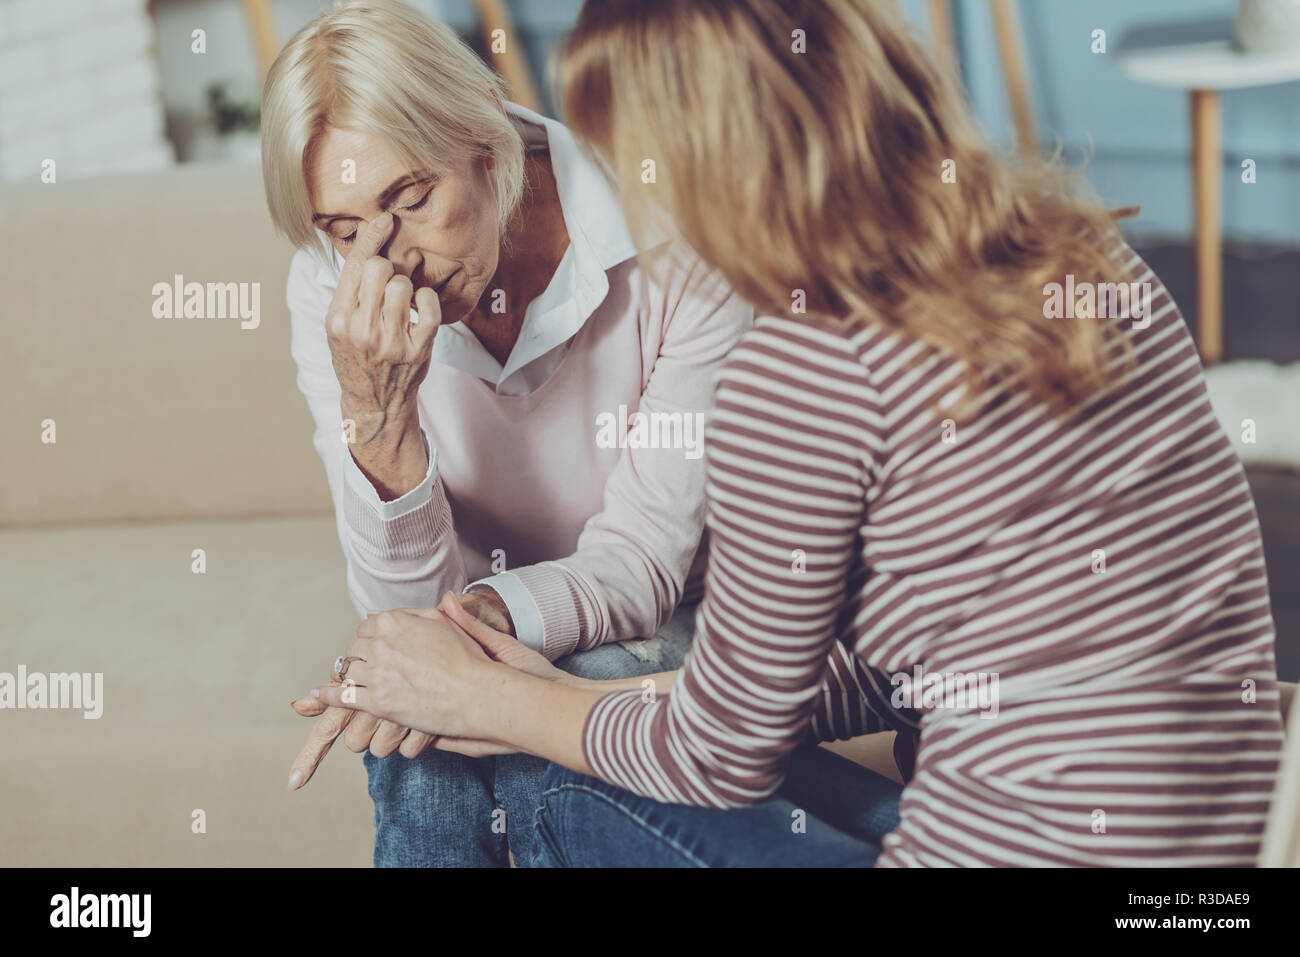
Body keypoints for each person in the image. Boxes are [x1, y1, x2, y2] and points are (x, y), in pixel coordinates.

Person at [306, 0, 1285, 866]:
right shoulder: (1083, 254)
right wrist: (553, 693)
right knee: (553, 701)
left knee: (512, 766)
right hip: (1220, 842)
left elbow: (716, 756)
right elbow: (948, 655)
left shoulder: (802, 369)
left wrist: (487, 704)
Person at [261, 0, 756, 867]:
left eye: (412, 200)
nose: (386, 261)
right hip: (490, 629)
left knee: (524, 701)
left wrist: (468, 641)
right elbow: (400, 616)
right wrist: (381, 426)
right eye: (344, 231)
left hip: (685, 617)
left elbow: (643, 563)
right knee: (424, 733)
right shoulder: (330, 290)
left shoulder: (680, 227)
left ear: (487, 143)